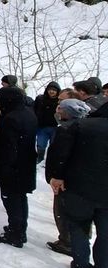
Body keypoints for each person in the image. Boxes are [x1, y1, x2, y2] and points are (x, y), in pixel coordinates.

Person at [45, 98, 107, 268]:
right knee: (105, 233)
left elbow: (60, 154)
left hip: (80, 187)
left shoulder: (80, 126)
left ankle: (81, 265)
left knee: (78, 225)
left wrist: (56, 176)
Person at [0, 86, 38, 248]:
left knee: (12, 201)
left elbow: (8, 147)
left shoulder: (11, 118)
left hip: (13, 167)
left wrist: (4, 169)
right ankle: (19, 229)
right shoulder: (28, 113)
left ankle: (15, 234)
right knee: (20, 199)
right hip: (26, 164)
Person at [45, 95, 90, 256]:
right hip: (79, 177)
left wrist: (56, 176)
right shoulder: (85, 127)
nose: (57, 111)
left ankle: (67, 241)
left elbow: (60, 155)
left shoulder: (66, 129)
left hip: (65, 178)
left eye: (60, 109)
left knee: (63, 210)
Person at [33, 82, 61, 163]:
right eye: (50, 89)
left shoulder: (60, 101)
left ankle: (51, 160)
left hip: (55, 127)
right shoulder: (40, 99)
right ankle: (40, 158)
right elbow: (34, 110)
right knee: (41, 144)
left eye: (54, 90)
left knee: (53, 145)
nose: (51, 91)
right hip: (42, 127)